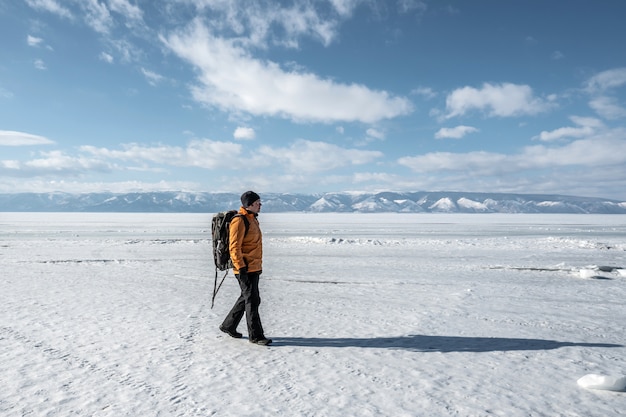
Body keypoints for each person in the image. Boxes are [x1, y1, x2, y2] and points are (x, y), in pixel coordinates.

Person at [219, 191, 272, 346]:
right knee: (252, 300)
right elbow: (234, 246)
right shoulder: (240, 221)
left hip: (254, 266)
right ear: (249, 205)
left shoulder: (252, 219)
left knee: (247, 297)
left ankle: (228, 325)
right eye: (257, 203)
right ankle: (256, 336)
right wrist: (240, 267)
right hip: (244, 268)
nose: (260, 205)